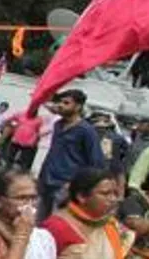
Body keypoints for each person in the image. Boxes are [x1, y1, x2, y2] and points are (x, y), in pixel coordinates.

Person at [37, 89, 104, 220]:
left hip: (66, 185)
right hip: (46, 180)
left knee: (57, 222)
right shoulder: (58, 125)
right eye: (60, 102)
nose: (61, 105)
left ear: (78, 106)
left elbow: (96, 162)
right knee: (40, 222)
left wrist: (77, 184)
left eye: (66, 103)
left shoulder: (86, 130)